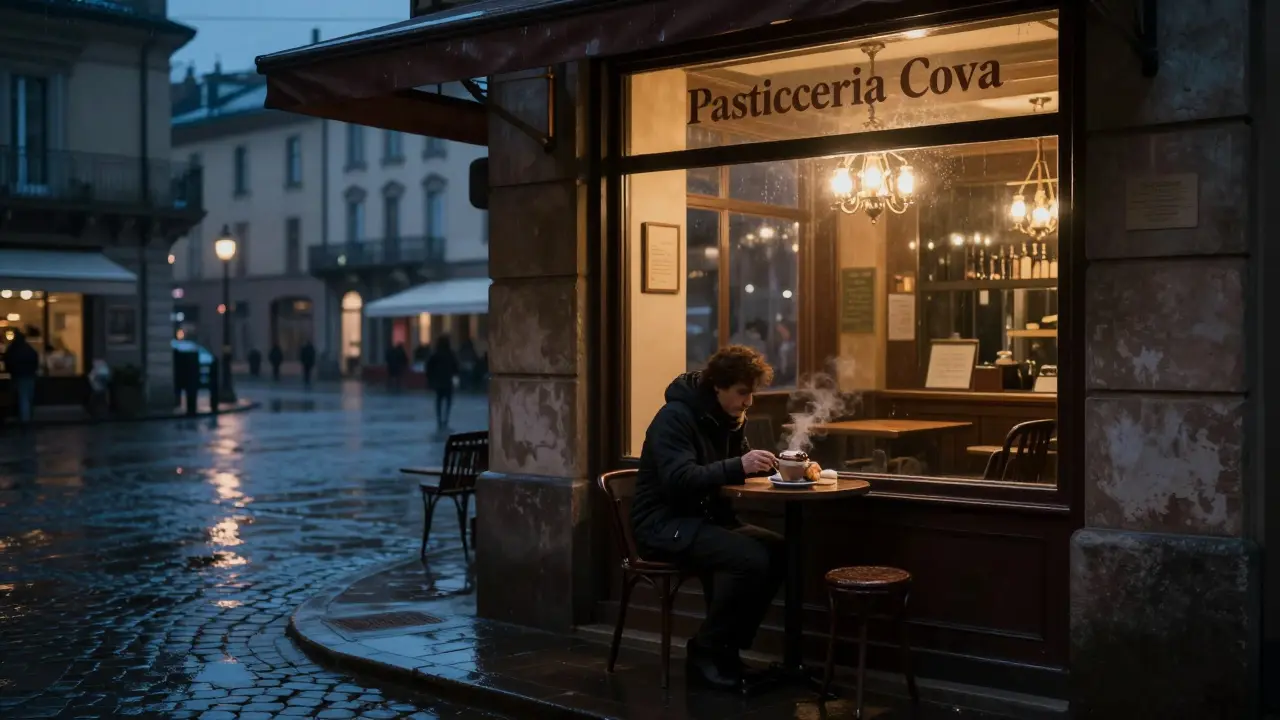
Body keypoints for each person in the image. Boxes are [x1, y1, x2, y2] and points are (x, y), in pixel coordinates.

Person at [630, 345, 784, 691]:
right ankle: (706, 650)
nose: (749, 402)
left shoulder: (725, 418)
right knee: (749, 558)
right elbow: (679, 479)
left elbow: (733, 468)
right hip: (663, 525)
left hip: (702, 519)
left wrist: (774, 466)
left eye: (751, 393)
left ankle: (728, 649)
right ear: (718, 386)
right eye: (743, 393)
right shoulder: (676, 417)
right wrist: (738, 465)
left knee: (776, 549)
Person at [3, 330, 40, 425]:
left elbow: (7, 360)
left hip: (18, 375)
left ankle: (24, 419)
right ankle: (28, 417)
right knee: (29, 397)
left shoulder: (12, 349)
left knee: (22, 397)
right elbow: (35, 360)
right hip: (29, 375)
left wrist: (10, 371)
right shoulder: (29, 348)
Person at [426, 335, 459, 427]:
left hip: (438, 381)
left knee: (439, 400)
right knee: (448, 400)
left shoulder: (435, 354)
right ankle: (446, 418)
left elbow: (429, 367)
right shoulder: (451, 354)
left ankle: (439, 418)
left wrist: (430, 378)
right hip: (448, 380)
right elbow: (456, 367)